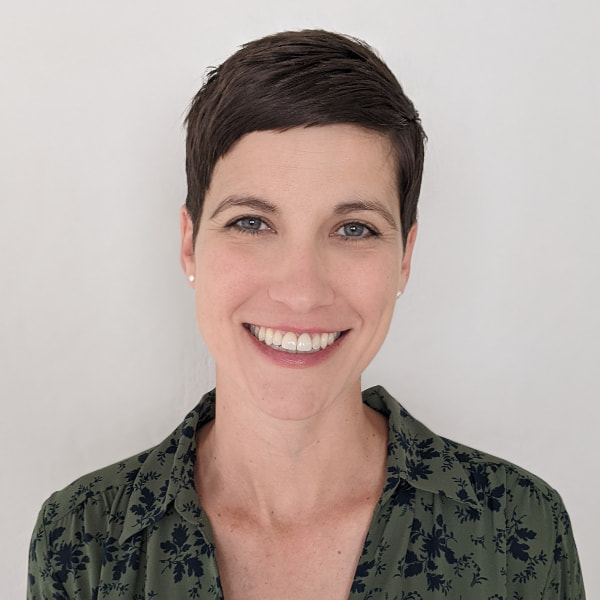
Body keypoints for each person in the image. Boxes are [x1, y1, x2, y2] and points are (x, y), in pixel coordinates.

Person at [27, 29, 585, 599]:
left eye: (353, 229)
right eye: (251, 222)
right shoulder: (82, 540)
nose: (301, 291)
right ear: (190, 244)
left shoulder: (520, 531)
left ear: (404, 259)